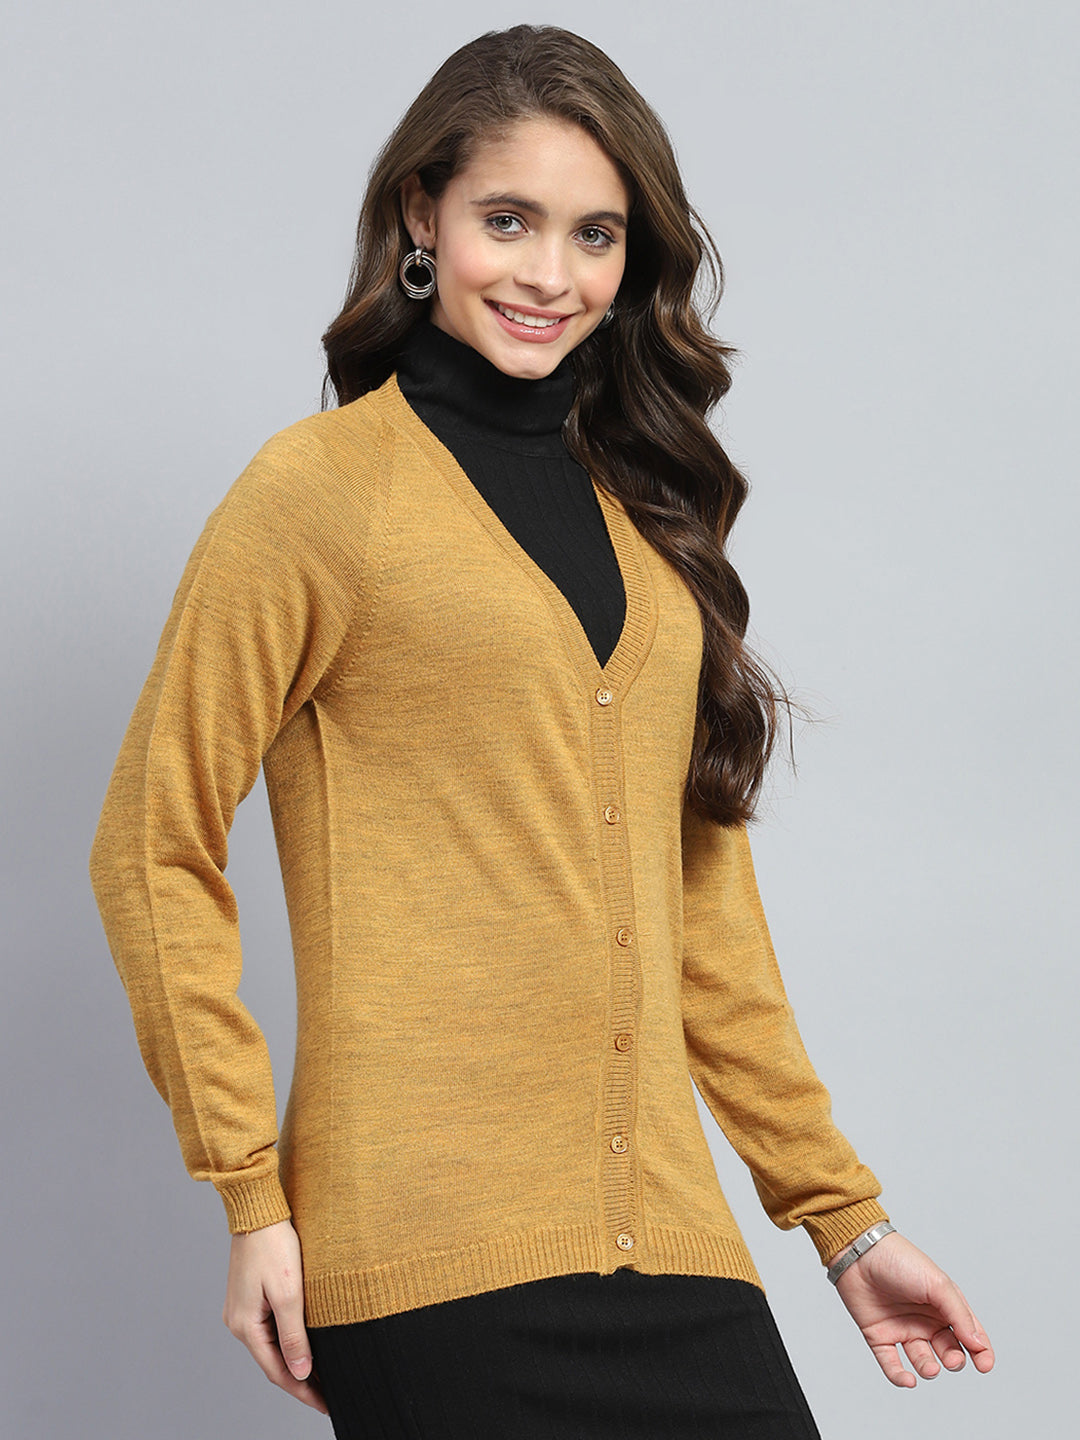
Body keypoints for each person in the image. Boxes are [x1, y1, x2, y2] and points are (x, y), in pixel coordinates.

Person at [89, 23, 994, 1439]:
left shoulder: (650, 528)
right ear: (423, 215)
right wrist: (250, 1194)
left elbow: (707, 923)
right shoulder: (320, 494)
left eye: (595, 235)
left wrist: (843, 1218)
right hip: (426, 1252)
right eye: (507, 220)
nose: (549, 275)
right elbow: (152, 844)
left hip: (674, 1246)